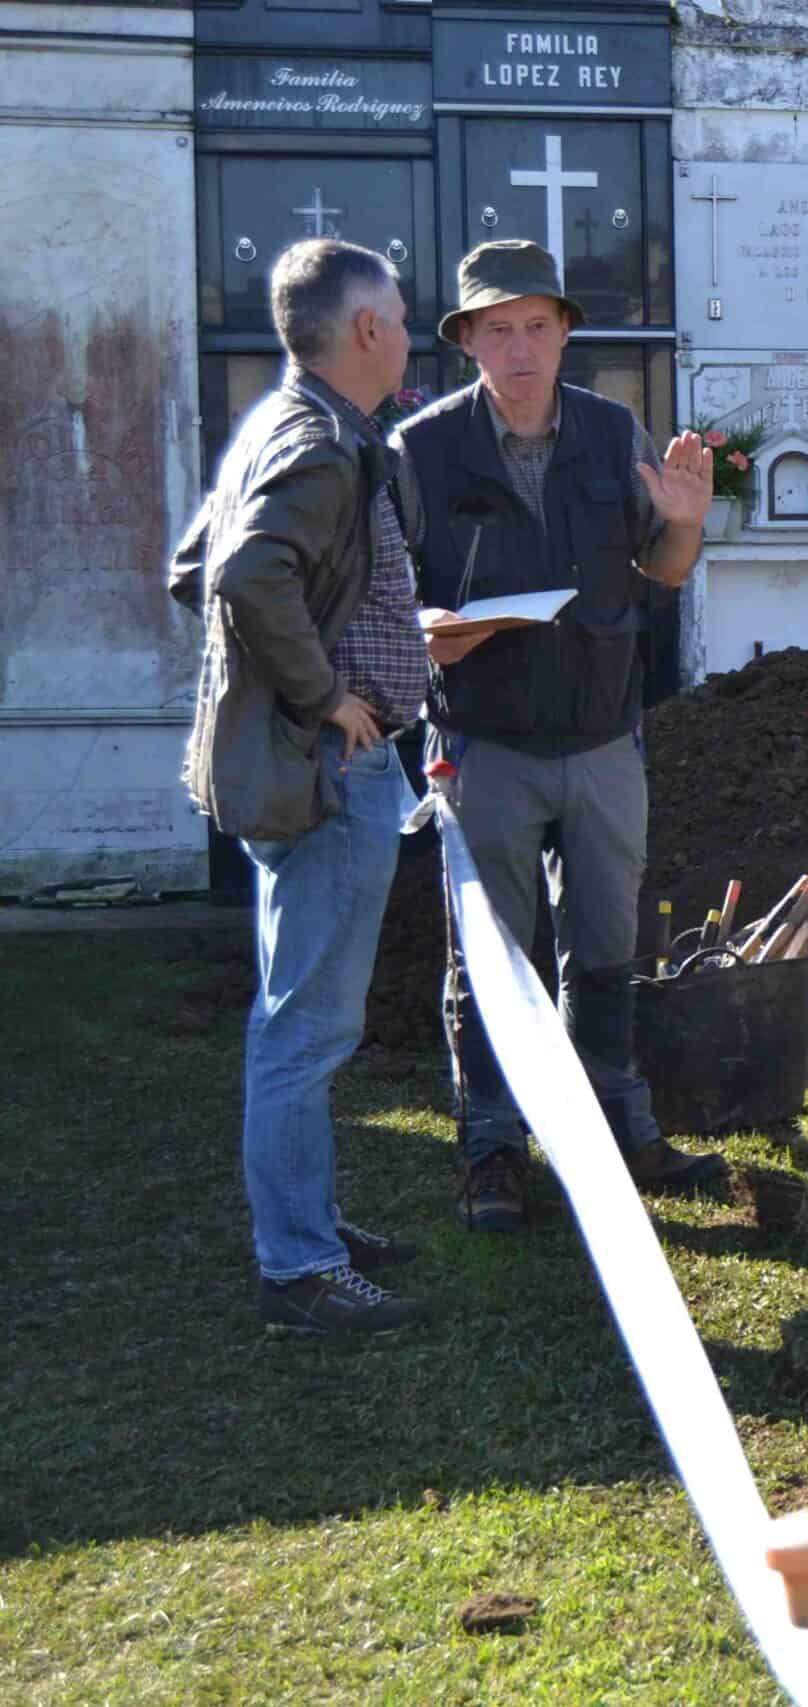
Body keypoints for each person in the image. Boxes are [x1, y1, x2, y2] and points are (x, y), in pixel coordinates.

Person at [395, 240, 726, 1234]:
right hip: (483, 743)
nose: (522, 345)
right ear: (467, 342)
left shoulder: (611, 430)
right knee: (489, 957)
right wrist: (436, 637)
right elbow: (386, 606)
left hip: (599, 737)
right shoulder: (421, 452)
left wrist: (685, 521)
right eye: (499, 328)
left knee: (606, 945)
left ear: (566, 332)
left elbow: (661, 572)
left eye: (539, 324)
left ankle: (619, 1133)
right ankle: (492, 1149)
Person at [168, 238, 434, 1335]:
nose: (411, 332)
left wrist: (321, 660)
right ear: (366, 330)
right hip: (327, 777)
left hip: (304, 767)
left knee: (300, 1020)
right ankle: (301, 1269)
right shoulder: (321, 443)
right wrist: (326, 697)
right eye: (403, 316)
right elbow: (238, 574)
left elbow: (194, 565)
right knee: (304, 1030)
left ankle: (308, 1218)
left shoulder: (284, 424)